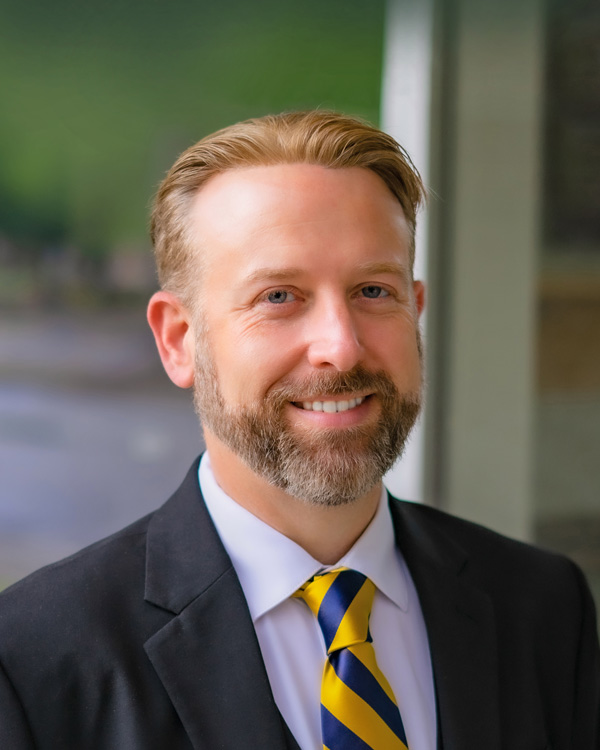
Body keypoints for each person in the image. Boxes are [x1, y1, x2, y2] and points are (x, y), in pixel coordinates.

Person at [0, 111, 598, 750]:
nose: (341, 347)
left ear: (416, 312)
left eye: (373, 290)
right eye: (278, 297)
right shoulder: (36, 658)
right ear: (180, 341)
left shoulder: (541, 608)